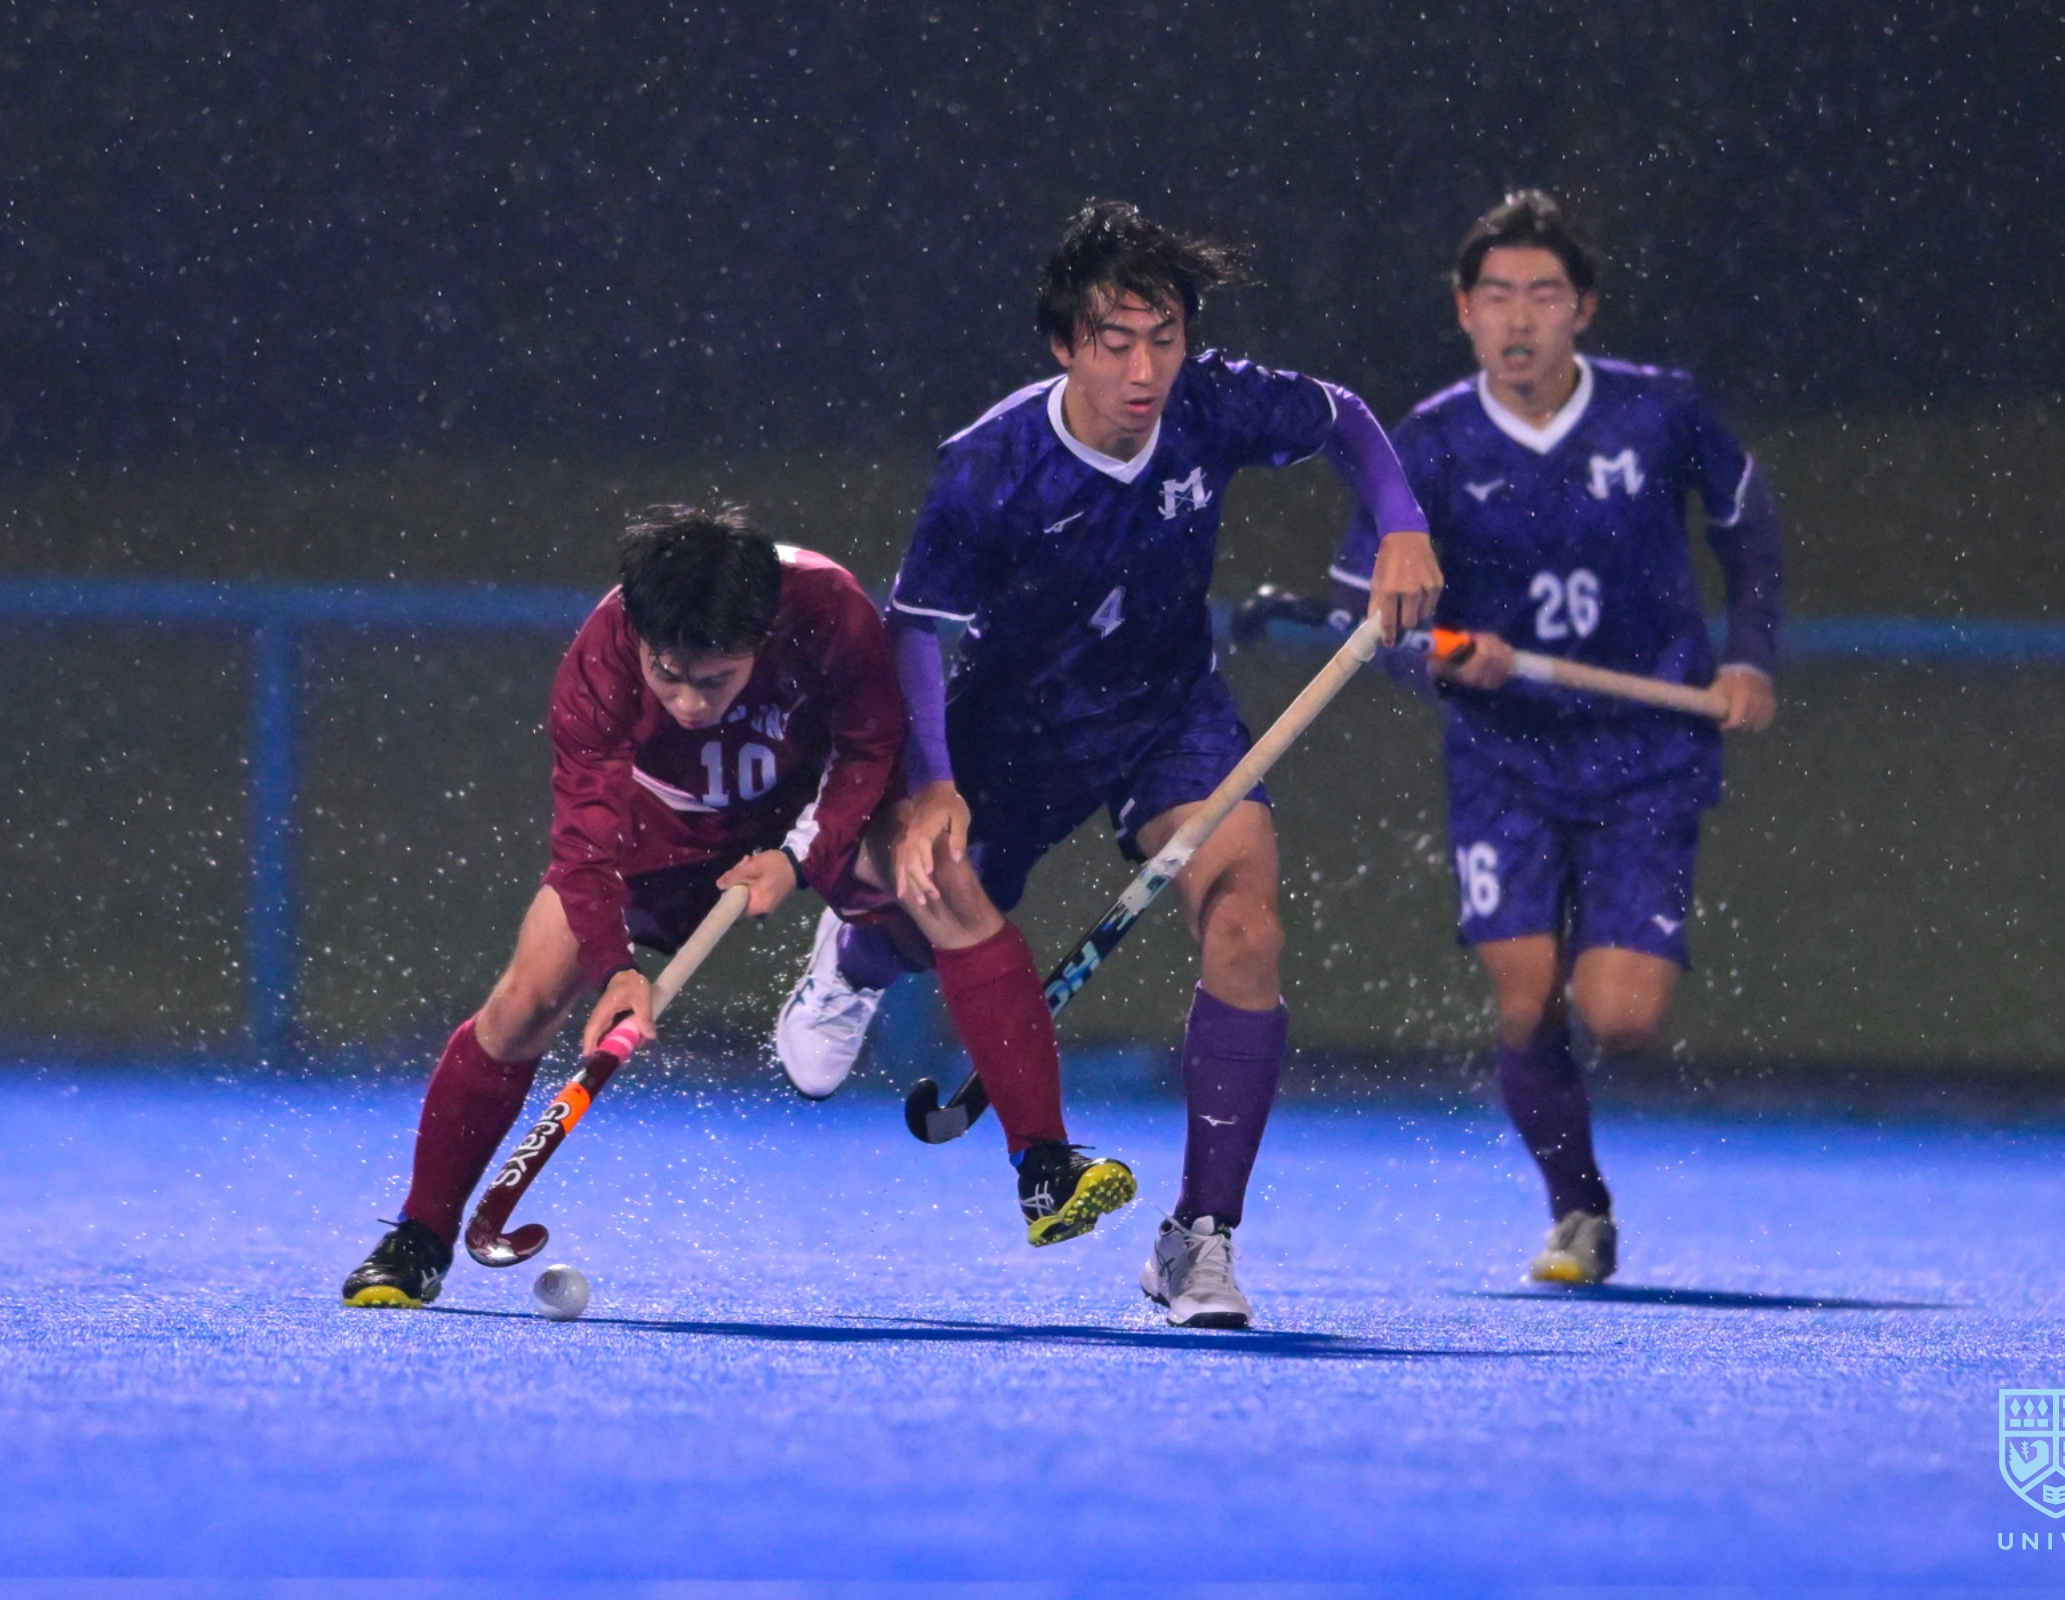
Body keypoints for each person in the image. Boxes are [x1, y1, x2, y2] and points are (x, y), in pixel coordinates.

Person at [774, 200, 1441, 1329]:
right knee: (924, 920)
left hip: (1169, 715)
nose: (1143, 371)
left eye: (1163, 339)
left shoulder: (1211, 402)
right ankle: (853, 956)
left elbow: (1343, 418)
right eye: (1114, 342)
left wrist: (1401, 522)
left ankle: (1198, 1239)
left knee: (1246, 922)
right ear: (1062, 344)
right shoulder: (991, 464)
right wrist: (934, 783)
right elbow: (916, 631)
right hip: (1011, 732)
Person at [343, 507, 1130, 1309]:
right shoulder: (602, 657)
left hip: (809, 806)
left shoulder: (827, 608)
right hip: (659, 827)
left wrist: (798, 858)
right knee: (525, 1000)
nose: (688, 703)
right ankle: (420, 1235)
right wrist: (616, 970)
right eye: (667, 674)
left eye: (714, 679)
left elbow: (869, 747)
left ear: (764, 634)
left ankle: (1044, 1164)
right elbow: (584, 844)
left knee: (943, 882)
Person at [1330, 190, 1782, 1284]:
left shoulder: (1660, 412)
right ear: (1463, 311)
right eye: (1497, 296)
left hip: (1648, 747)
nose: (1519, 317)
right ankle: (1579, 1209)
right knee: (1527, 995)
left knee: (1618, 1017)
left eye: (1543, 294)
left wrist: (1749, 654)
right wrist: (1440, 656)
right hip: (1505, 757)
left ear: (1583, 307)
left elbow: (1747, 524)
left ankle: (1599, 960)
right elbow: (1361, 606)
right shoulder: (1429, 444)